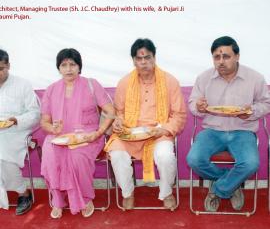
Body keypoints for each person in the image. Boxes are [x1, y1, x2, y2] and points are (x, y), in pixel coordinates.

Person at [187, 36, 270, 212]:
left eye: (226, 56)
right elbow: (193, 103)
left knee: (250, 164)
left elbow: (266, 104)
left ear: (237, 56)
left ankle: (219, 189)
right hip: (212, 130)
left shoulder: (255, 78)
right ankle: (232, 183)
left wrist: (251, 111)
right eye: (217, 57)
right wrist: (199, 107)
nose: (221, 61)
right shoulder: (204, 78)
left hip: (243, 131)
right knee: (194, 159)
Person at [105, 38, 186, 210]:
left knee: (165, 156)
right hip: (130, 132)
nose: (143, 62)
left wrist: (163, 129)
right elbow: (118, 112)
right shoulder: (125, 82)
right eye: (139, 59)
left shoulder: (170, 81)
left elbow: (179, 115)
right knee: (117, 154)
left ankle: (167, 192)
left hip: (159, 132)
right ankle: (128, 193)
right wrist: (118, 122)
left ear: (154, 58)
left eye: (147, 57)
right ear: (133, 60)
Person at [40, 48, 115, 219]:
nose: (68, 69)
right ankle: (58, 200)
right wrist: (53, 129)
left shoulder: (91, 84)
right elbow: (44, 121)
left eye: (72, 64)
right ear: (58, 68)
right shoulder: (51, 89)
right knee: (51, 154)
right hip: (59, 136)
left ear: (79, 66)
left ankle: (84, 198)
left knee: (76, 157)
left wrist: (99, 133)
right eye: (64, 65)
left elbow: (110, 112)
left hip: (88, 137)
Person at [0, 49, 40, 215]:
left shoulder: (22, 84)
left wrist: (16, 120)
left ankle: (24, 193)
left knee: (2, 151)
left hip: (17, 131)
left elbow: (35, 113)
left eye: (0, 69)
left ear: (8, 65)